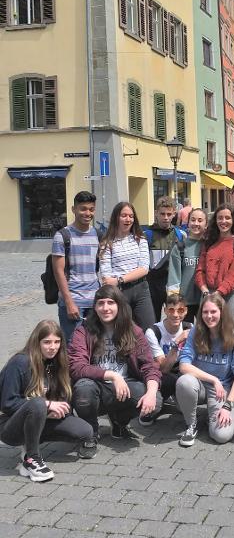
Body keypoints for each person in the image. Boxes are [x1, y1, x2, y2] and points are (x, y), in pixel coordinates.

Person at [0, 320, 95, 481]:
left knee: (85, 432)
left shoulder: (57, 362)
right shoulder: (20, 362)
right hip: (9, 426)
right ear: (37, 342)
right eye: (47, 342)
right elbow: (7, 403)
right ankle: (32, 460)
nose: (53, 347)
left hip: (42, 418)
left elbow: (62, 396)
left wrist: (57, 410)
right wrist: (47, 405)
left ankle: (30, 446)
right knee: (37, 402)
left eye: (57, 342)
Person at [69, 286, 162, 448]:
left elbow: (149, 366)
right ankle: (90, 432)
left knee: (156, 401)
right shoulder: (83, 331)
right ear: (95, 307)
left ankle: (119, 421)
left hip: (125, 386)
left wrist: (152, 392)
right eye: (101, 303)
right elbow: (77, 367)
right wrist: (112, 375)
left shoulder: (133, 331)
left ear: (119, 305)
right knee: (84, 390)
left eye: (110, 303)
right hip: (94, 386)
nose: (105, 308)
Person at [176, 293, 234, 446]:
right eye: (205, 312)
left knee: (222, 436)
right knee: (184, 382)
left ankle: (211, 416)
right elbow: (183, 365)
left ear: (222, 312)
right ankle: (191, 424)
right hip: (199, 385)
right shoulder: (196, 332)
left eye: (213, 312)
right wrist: (213, 379)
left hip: (222, 390)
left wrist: (228, 405)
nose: (209, 316)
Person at [51, 190, 101, 344]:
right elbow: (58, 271)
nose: (87, 213)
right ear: (74, 209)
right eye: (83, 209)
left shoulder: (98, 235)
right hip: (74, 302)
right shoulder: (62, 236)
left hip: (94, 301)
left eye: (91, 209)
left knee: (94, 345)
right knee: (73, 347)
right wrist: (69, 302)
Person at [99, 201, 154, 330]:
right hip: (120, 292)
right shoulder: (107, 243)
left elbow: (144, 268)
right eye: (124, 215)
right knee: (124, 332)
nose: (128, 219)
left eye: (131, 216)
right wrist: (116, 282)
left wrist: (119, 279)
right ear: (116, 217)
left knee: (149, 330)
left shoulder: (140, 239)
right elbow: (106, 277)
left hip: (141, 289)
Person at [196, 203, 234, 322]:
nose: (223, 221)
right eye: (220, 218)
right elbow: (200, 269)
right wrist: (204, 290)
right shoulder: (209, 242)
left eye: (227, 218)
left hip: (228, 296)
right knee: (206, 332)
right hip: (207, 293)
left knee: (229, 333)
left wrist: (219, 293)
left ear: (233, 220)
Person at [144, 294, 192, 410]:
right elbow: (163, 369)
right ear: (165, 310)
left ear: (185, 311)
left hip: (182, 372)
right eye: (171, 310)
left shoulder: (190, 328)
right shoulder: (153, 332)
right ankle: (160, 399)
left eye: (180, 310)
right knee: (150, 414)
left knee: (184, 409)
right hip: (162, 375)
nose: (175, 315)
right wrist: (177, 343)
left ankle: (177, 397)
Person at [144, 196, 185, 322]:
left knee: (175, 321)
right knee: (153, 322)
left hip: (173, 285)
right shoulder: (146, 235)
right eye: (162, 214)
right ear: (156, 213)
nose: (166, 217)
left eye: (169, 214)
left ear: (174, 214)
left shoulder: (181, 235)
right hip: (152, 286)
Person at [167, 207, 209, 322]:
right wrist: (175, 300)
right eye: (193, 220)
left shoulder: (210, 246)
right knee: (185, 336)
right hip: (185, 301)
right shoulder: (180, 247)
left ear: (206, 224)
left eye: (200, 220)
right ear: (188, 222)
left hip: (204, 299)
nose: (196, 223)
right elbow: (173, 277)